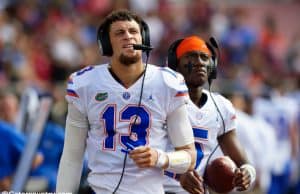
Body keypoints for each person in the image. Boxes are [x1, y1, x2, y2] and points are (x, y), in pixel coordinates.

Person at [56, 10, 196, 194]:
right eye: (120, 33)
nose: (128, 36)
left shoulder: (166, 83)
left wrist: (160, 158)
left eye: (133, 31)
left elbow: (189, 157)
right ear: (106, 43)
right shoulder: (86, 84)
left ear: (143, 39)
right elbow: (72, 156)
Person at [163, 35, 256, 194]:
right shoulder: (160, 99)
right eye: (191, 56)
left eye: (204, 57)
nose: (199, 62)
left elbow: (242, 161)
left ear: (212, 66)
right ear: (175, 65)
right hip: (161, 188)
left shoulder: (221, 106)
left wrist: (247, 173)